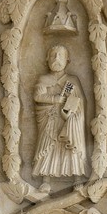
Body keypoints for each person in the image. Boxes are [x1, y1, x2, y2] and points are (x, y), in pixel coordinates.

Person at [32, 44, 87, 177]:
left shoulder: (72, 80)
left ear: (67, 60)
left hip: (68, 120)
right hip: (49, 119)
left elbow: (81, 101)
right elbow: (38, 97)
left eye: (60, 55)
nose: (56, 58)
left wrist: (72, 109)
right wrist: (55, 99)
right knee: (48, 146)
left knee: (69, 144)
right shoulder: (43, 79)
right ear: (47, 59)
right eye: (53, 55)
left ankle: (76, 178)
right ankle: (46, 180)